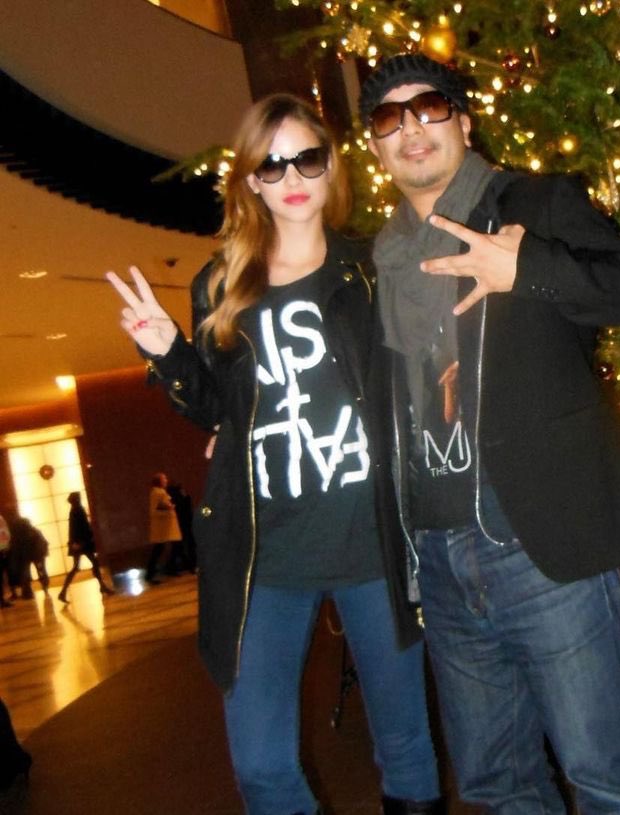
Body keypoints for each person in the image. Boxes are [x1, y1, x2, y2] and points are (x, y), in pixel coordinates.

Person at [106, 93, 441, 815]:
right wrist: (167, 351)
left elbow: (416, 377)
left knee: (406, 745)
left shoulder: (372, 266)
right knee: (261, 768)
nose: (291, 176)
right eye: (272, 163)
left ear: (330, 167)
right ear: (251, 180)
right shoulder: (220, 284)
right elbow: (214, 409)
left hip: (373, 540)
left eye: (306, 158)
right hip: (265, 550)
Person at [360, 54, 620, 814]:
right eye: (389, 118)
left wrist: (526, 266)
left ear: (464, 122)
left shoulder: (532, 201)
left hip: (537, 537)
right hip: (438, 549)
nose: (411, 128)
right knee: (496, 783)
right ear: (375, 145)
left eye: (429, 107)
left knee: (605, 775)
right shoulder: (380, 258)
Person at [58, 492, 114, 603]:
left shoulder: (74, 510)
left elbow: (74, 529)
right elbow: (83, 527)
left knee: (77, 567)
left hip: (78, 543)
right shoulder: (78, 510)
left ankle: (63, 592)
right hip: (83, 543)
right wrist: (89, 537)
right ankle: (102, 586)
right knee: (93, 563)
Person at [145, 472, 182, 584]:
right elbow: (155, 510)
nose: (166, 480)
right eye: (164, 479)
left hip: (166, 526)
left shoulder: (159, 492)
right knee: (159, 549)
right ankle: (151, 573)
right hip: (163, 527)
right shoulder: (157, 493)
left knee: (167, 547)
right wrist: (168, 509)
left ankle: (168, 568)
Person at [7, 514, 49, 600]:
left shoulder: (18, 535)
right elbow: (43, 543)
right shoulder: (35, 531)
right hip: (38, 555)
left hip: (26, 556)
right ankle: (45, 589)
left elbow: (16, 547)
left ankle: (27, 592)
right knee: (42, 572)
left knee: (25, 574)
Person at [0, 511, 12, 608]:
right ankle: (3, 600)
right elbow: (5, 534)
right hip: (2, 551)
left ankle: (3, 599)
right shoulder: (0, 519)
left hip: (2, 550)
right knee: (2, 577)